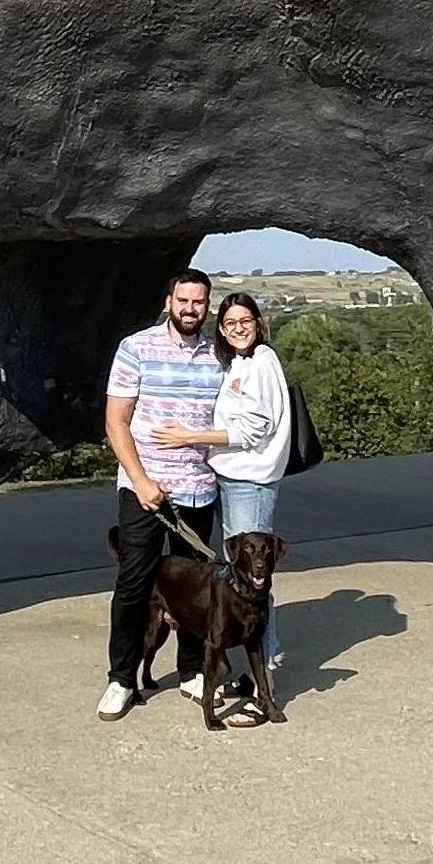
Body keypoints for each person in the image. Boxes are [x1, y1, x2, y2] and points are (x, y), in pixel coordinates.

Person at [97, 268, 225, 719]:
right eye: (184, 300)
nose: (191, 309)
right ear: (169, 300)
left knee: (194, 586)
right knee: (134, 584)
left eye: (199, 302)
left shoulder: (218, 355)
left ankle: (191, 669)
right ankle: (121, 679)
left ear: (207, 305)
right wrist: (141, 480)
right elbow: (116, 422)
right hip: (144, 487)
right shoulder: (136, 348)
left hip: (199, 486)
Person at [146, 291, 290, 689]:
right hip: (232, 477)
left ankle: (266, 678)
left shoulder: (262, 362)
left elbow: (251, 429)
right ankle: (246, 668)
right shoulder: (239, 363)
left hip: (249, 480)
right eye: (229, 324)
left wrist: (188, 436)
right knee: (240, 577)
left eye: (245, 321)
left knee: (256, 576)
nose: (238, 329)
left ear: (258, 323)